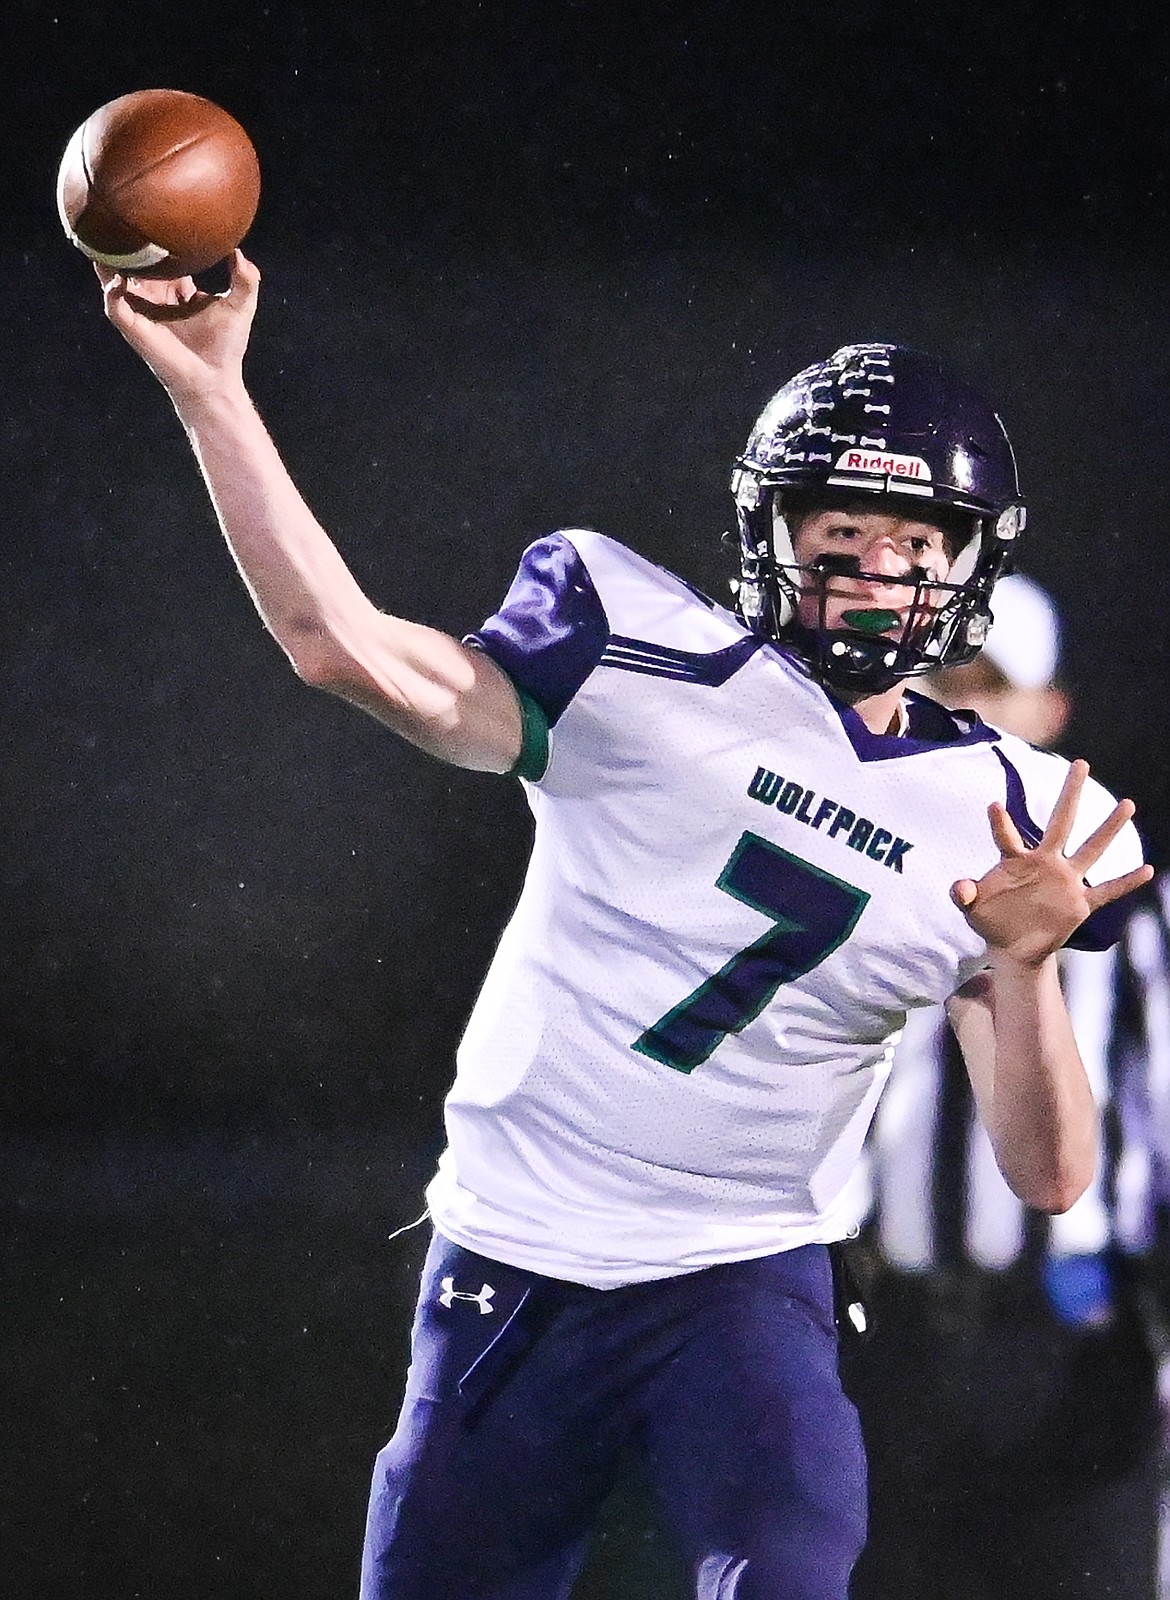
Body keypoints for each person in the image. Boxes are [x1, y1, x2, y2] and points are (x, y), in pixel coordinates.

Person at [91, 255, 1152, 1600]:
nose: (875, 570)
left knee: (784, 1573)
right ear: (775, 530)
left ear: (966, 564)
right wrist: (213, 396)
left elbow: (1049, 1175)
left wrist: (1024, 963)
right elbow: (335, 644)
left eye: (913, 542)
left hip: (741, 1282)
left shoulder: (1011, 813)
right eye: (840, 532)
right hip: (511, 1257)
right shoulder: (636, 651)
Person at [848, 575, 1170, 1600]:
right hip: (888, 1346)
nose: (974, 708)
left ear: (1051, 713)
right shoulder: (856, 890)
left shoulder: (1131, 923)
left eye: (998, 685)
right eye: (954, 681)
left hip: (1069, 1353)